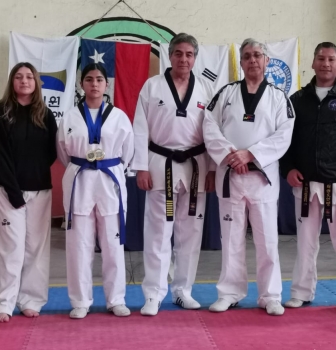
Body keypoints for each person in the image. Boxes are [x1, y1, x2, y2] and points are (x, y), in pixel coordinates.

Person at [203, 38, 295, 316]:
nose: (252, 60)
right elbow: (209, 126)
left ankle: (270, 295)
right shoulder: (227, 92)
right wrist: (232, 155)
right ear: (240, 63)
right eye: (247, 56)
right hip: (231, 174)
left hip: (262, 179)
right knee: (230, 238)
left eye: (257, 55)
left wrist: (250, 155)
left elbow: (284, 134)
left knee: (267, 239)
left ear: (267, 61)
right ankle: (230, 292)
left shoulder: (279, 97)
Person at [131, 33, 215, 316]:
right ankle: (153, 293)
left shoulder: (205, 87)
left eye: (189, 54)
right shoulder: (152, 86)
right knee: (157, 232)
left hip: (195, 165)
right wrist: (140, 166)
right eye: (178, 53)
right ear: (170, 56)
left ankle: (183, 290)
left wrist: (214, 169)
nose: (184, 59)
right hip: (160, 164)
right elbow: (140, 128)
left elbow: (214, 132)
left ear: (195, 58)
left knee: (190, 233)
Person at [57, 63, 134, 319]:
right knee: (79, 243)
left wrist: (105, 165)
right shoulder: (69, 116)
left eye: (99, 79)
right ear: (82, 84)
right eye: (89, 79)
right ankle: (80, 300)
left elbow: (128, 151)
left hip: (109, 180)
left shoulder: (119, 116)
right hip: (80, 179)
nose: (94, 84)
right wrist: (84, 165)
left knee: (113, 243)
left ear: (106, 85)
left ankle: (116, 299)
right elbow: (62, 152)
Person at [280, 42, 336, 308]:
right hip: (304, 183)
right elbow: (284, 141)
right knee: (305, 242)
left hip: (335, 182)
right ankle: (302, 292)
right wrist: (288, 168)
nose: (326, 64)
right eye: (321, 58)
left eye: (332, 59)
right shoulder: (297, 100)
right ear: (312, 63)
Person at [0, 62, 57, 323]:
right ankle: (5, 301)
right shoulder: (2, 112)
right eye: (19, 77)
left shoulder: (45, 115)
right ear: (12, 82)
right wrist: (13, 190)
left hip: (40, 190)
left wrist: (35, 176)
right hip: (8, 190)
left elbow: (51, 152)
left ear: (36, 83)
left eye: (29, 77)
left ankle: (30, 299)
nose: (24, 81)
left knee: (37, 248)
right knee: (11, 247)